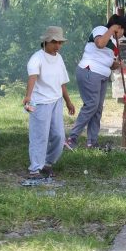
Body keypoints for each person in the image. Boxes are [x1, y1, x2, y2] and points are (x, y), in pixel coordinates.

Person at [23, 26, 76, 179]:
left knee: (59, 136)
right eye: (54, 42)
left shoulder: (59, 58)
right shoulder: (36, 58)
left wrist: (68, 102)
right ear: (46, 41)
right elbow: (32, 78)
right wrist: (28, 97)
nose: (57, 46)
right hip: (39, 102)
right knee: (39, 136)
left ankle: (47, 163)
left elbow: (62, 82)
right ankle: (35, 169)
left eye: (60, 42)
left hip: (56, 101)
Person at [65, 18, 124, 149]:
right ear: (118, 27)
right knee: (92, 105)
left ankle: (92, 142)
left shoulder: (115, 42)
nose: (122, 36)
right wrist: (111, 30)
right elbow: (100, 44)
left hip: (102, 75)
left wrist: (118, 64)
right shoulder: (101, 30)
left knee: (98, 108)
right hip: (90, 70)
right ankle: (72, 139)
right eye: (122, 32)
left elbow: (109, 63)